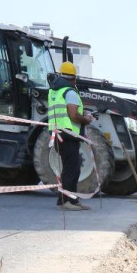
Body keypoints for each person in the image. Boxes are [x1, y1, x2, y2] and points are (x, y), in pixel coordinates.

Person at [46, 60, 93, 211]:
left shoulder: (54, 91)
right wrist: (86, 119)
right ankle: (65, 201)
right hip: (67, 133)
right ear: (74, 78)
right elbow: (73, 115)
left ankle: (71, 200)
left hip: (58, 133)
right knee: (71, 168)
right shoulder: (70, 91)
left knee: (71, 167)